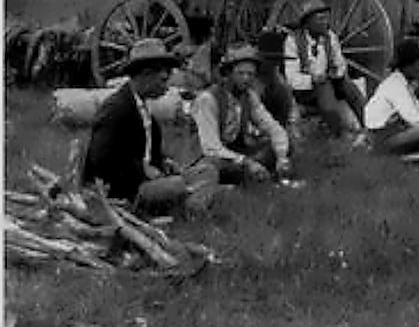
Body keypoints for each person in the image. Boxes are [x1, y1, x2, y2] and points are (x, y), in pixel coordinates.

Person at [82, 39, 217, 212]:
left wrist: (163, 163)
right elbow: (100, 158)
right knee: (177, 185)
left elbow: (147, 153)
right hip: (126, 190)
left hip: (149, 182)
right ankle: (190, 210)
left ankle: (190, 202)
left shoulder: (145, 112)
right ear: (146, 74)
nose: (166, 87)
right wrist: (141, 169)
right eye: (162, 79)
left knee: (206, 171)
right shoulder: (116, 109)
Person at [190, 44, 295, 184]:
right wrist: (247, 162)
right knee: (216, 166)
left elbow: (272, 127)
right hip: (208, 157)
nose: (246, 79)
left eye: (250, 74)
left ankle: (262, 173)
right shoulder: (208, 100)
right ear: (228, 73)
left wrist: (282, 157)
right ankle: (244, 178)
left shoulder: (249, 96)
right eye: (240, 73)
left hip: (236, 152)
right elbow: (211, 148)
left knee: (283, 145)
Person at [283, 0, 367, 144]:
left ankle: (368, 126)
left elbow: (340, 63)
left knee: (350, 88)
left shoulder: (330, 37)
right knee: (324, 89)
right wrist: (312, 79)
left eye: (325, 18)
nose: (325, 22)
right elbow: (291, 78)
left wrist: (337, 72)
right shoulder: (293, 41)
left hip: (329, 83)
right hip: (305, 91)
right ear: (308, 22)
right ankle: (340, 133)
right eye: (320, 19)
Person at [363, 37, 419, 156]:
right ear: (407, 66)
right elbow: (414, 118)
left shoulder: (402, 83)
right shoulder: (396, 86)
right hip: (381, 140)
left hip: (389, 133)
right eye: (418, 65)